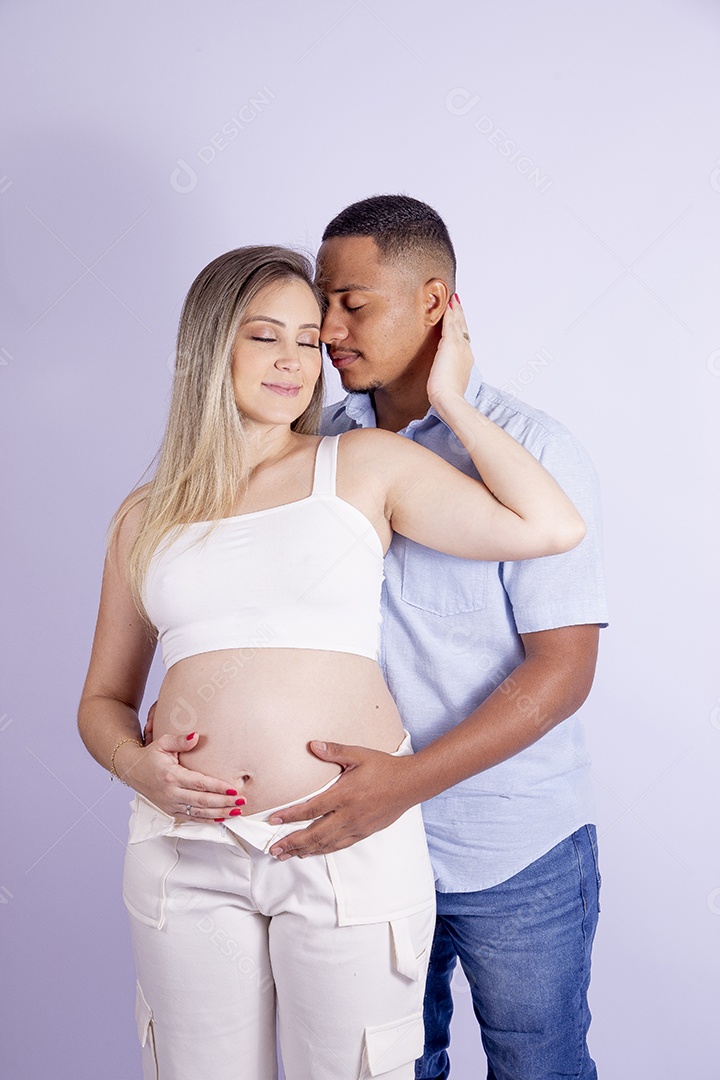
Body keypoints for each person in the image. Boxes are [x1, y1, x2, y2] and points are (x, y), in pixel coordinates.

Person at [78, 244, 585, 1080]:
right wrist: (138, 767)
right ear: (210, 347)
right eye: (263, 336)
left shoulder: (360, 465)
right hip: (184, 846)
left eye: (308, 341)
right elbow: (100, 699)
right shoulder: (145, 514)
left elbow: (550, 527)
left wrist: (450, 397)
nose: (291, 361)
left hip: (341, 841)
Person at [265, 197, 609, 1080]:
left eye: (353, 303)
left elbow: (564, 671)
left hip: (513, 853)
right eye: (321, 302)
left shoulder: (535, 453)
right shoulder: (315, 450)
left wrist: (406, 785)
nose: (327, 329)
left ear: (435, 303)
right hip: (364, 851)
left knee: (540, 1067)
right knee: (386, 1067)